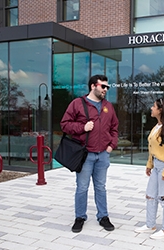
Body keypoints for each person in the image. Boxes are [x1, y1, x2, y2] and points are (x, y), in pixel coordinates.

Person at [60, 75, 119, 233]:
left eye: (107, 87)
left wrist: (111, 146)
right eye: (103, 86)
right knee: (82, 188)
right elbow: (64, 125)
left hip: (102, 155)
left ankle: (103, 216)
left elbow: (114, 128)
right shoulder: (77, 104)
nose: (106, 89)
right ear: (93, 86)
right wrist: (82, 128)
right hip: (85, 154)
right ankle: (80, 217)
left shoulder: (108, 106)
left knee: (101, 187)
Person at [134, 98, 164, 239]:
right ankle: (150, 225)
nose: (151, 108)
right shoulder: (157, 127)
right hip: (156, 166)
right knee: (150, 196)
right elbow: (152, 148)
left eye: (153, 106)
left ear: (160, 110)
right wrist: (149, 164)